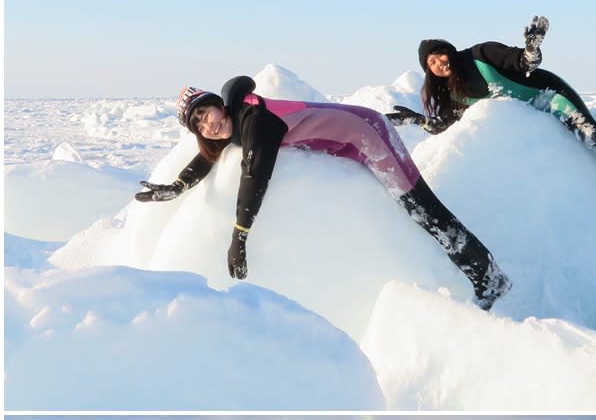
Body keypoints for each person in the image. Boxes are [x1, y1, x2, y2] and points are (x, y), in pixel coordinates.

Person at [137, 79, 508, 309]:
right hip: (351, 140)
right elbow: (208, 159)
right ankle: (484, 274)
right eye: (198, 124)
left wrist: (240, 235)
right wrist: (178, 185)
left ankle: (489, 277)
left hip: (368, 134)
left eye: (206, 112)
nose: (209, 124)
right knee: (419, 210)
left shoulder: (255, 120)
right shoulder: (236, 122)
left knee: (423, 209)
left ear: (219, 104)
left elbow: (255, 174)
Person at [392, 27, 596, 215]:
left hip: (548, 96)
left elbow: (523, 63)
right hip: (525, 118)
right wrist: (416, 120)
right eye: (431, 62)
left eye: (440, 55)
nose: (439, 62)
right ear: (429, 71)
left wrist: (531, 50)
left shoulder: (480, 54)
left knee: (591, 137)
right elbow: (444, 126)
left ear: (449, 51)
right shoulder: (451, 94)